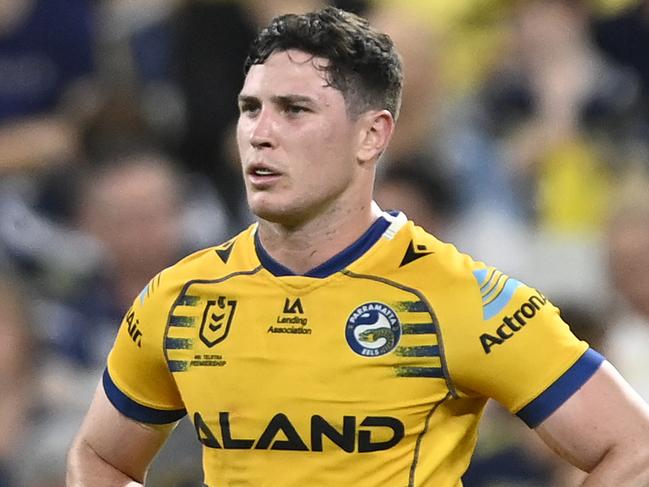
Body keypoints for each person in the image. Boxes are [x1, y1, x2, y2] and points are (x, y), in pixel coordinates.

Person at [66, 7, 649, 486]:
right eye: (250, 109)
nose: (260, 133)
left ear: (372, 134)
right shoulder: (181, 298)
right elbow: (100, 457)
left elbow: (632, 447)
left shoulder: (458, 296)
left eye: (294, 109)